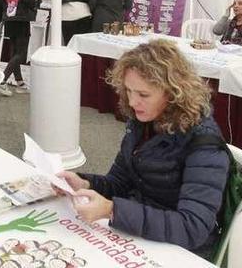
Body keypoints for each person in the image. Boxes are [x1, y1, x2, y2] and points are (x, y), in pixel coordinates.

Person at [56, 39, 229, 255]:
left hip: (180, 249)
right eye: (129, 91)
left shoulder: (204, 144)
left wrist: (113, 210)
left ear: (173, 92)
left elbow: (193, 227)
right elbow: (119, 182)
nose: (132, 102)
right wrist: (85, 183)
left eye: (143, 95)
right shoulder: (142, 122)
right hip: (140, 230)